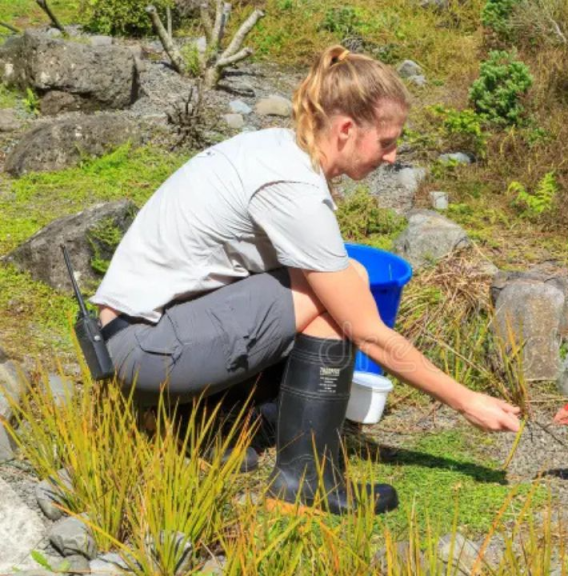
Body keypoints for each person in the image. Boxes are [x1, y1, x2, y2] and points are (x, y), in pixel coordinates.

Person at [90, 46, 521, 516]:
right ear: (345, 130)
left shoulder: (281, 148)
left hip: (132, 333)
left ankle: (206, 422)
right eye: (387, 142)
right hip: (146, 351)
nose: (394, 157)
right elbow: (368, 333)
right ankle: (304, 479)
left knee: (323, 281)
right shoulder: (291, 189)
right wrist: (466, 400)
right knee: (338, 294)